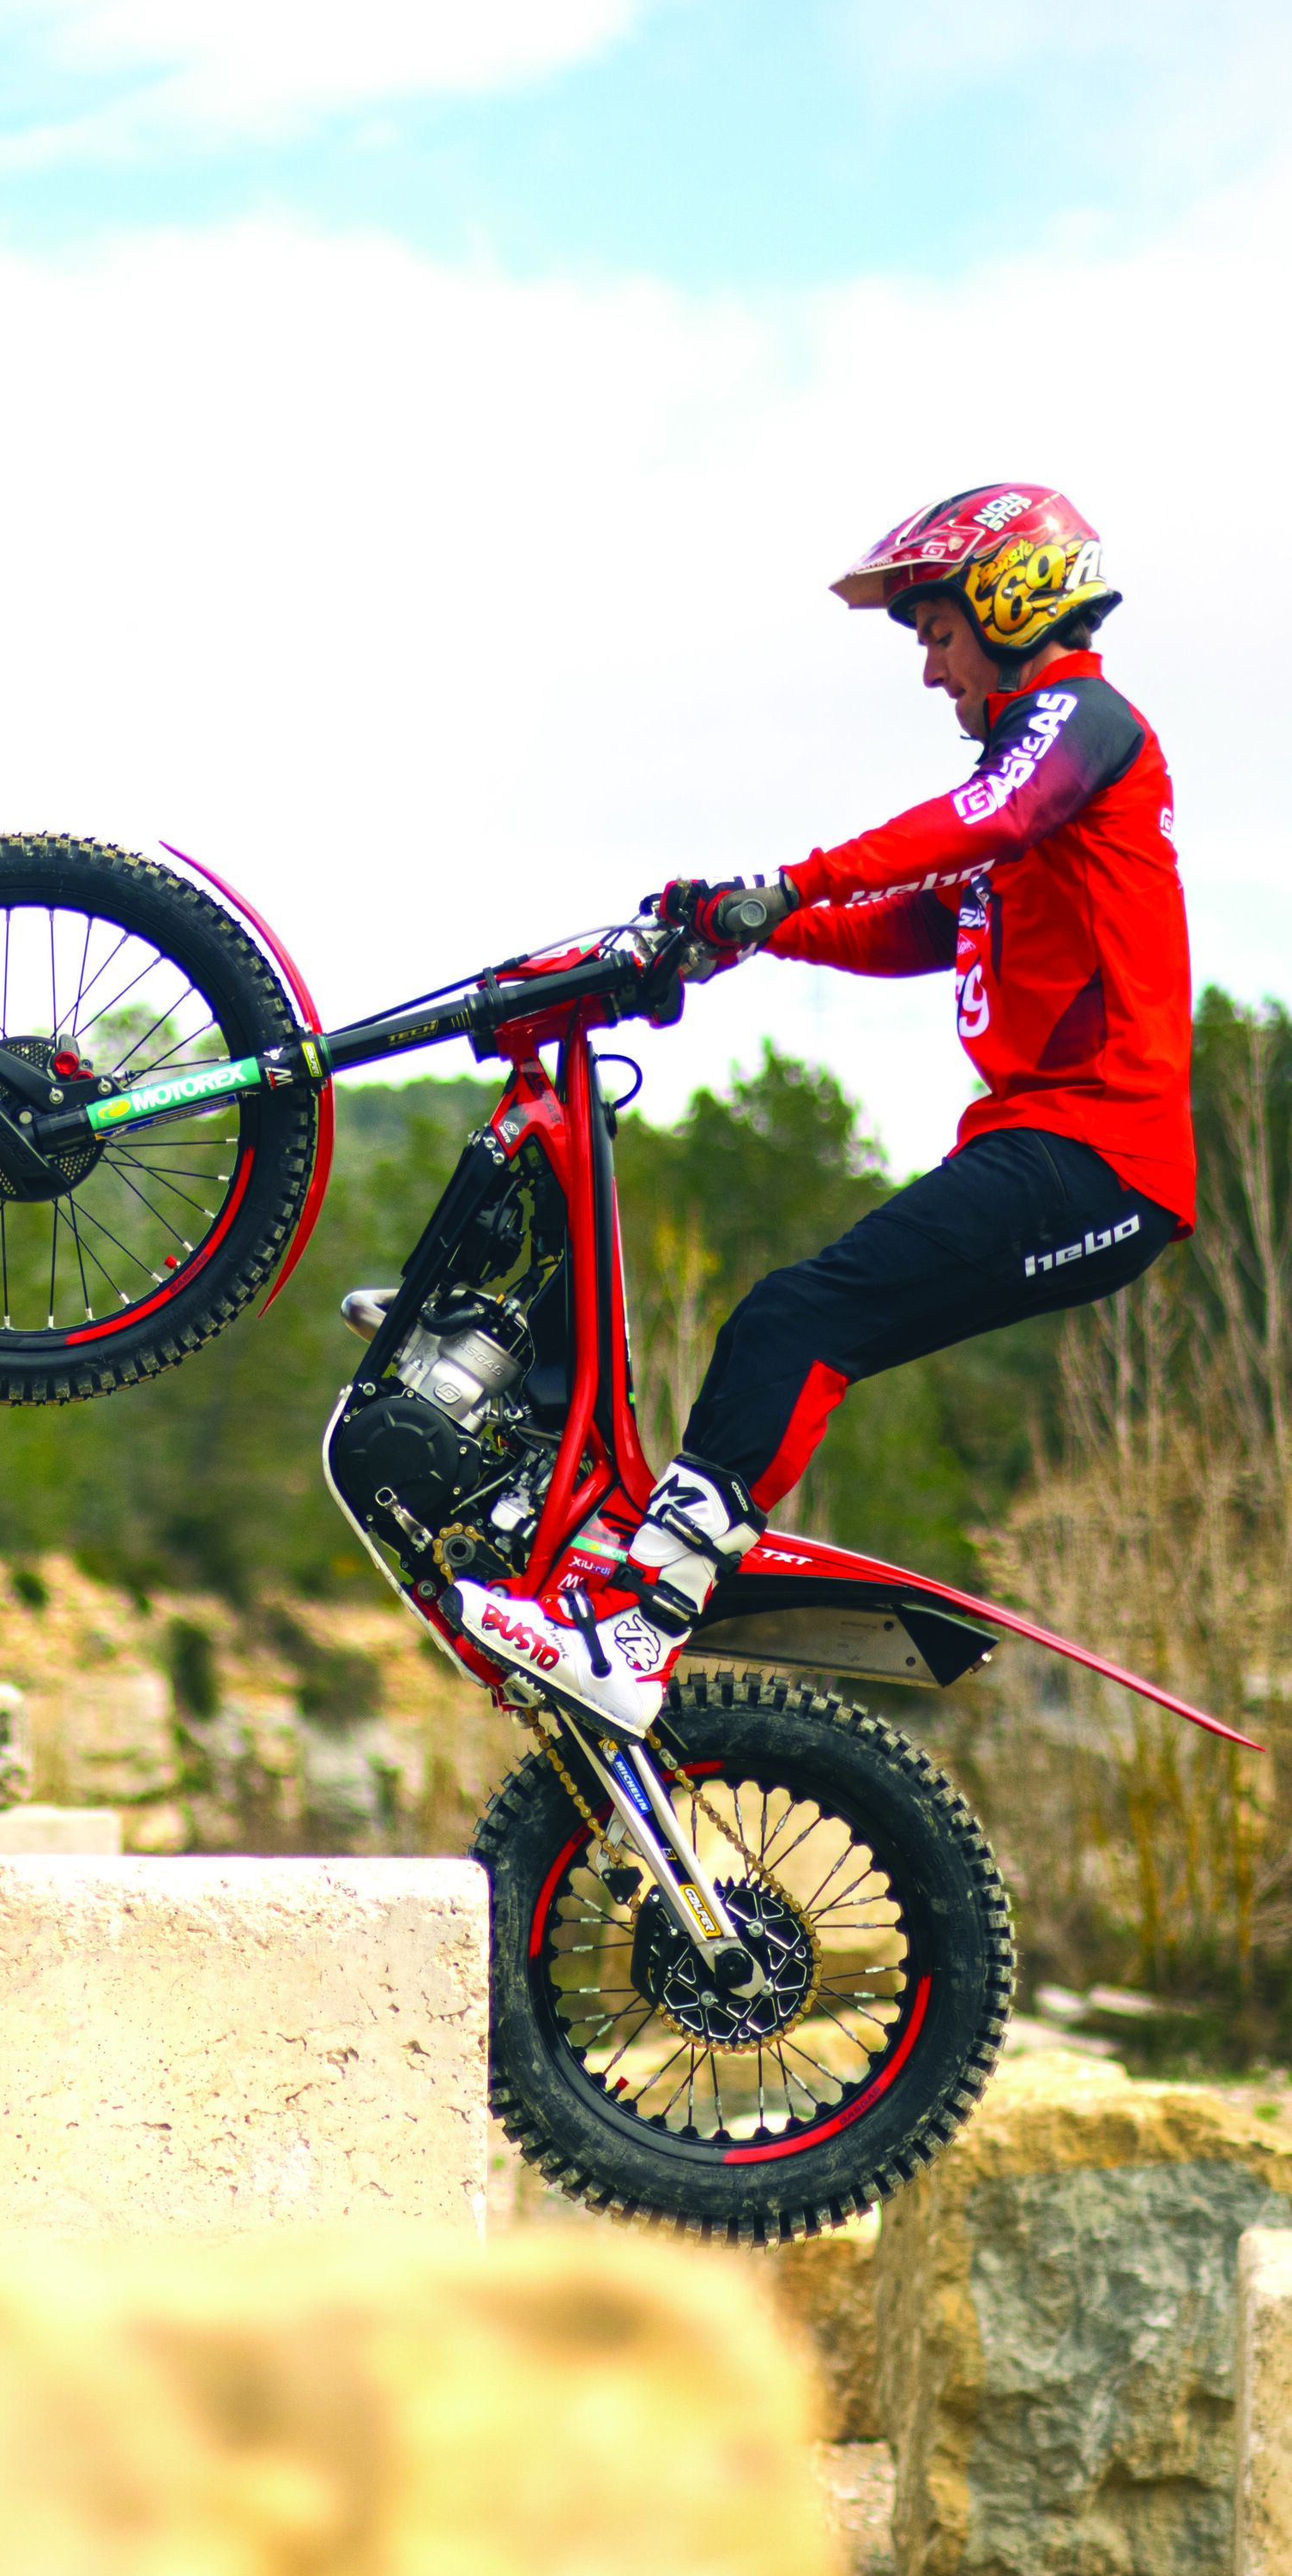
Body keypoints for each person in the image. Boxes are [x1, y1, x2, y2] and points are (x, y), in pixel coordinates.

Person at [450, 480, 1196, 1734]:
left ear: (1012, 603)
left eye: (938, 634)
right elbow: (912, 925)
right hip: (1066, 1153)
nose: (931, 671)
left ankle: (633, 1629)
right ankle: (634, 1605)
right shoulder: (1038, 802)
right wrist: (744, 926)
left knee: (798, 1317)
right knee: (801, 1326)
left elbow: (984, 814)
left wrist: (788, 881)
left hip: (1094, 1152)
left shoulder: (1083, 723)